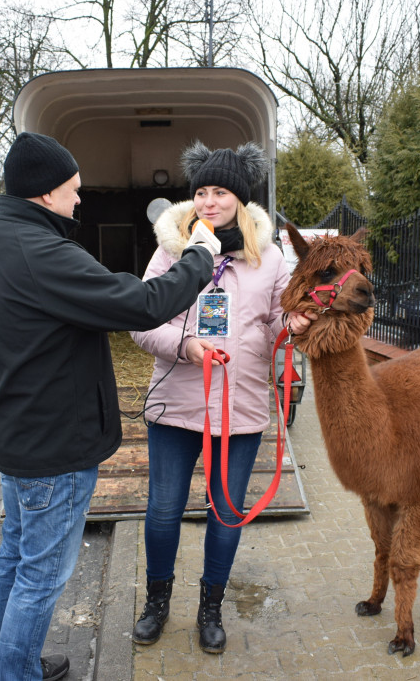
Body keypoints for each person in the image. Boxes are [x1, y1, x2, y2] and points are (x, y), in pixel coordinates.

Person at [0, 132, 217, 681]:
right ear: (47, 192)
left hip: (15, 439)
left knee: (15, 562)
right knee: (42, 575)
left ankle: (8, 660)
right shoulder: (44, 253)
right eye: (74, 190)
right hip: (56, 448)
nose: (80, 201)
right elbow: (145, 305)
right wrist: (199, 255)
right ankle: (10, 675)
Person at [130, 140, 314, 654]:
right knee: (163, 509)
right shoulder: (171, 252)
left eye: (221, 192)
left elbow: (277, 321)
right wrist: (184, 346)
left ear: (240, 199)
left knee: (226, 513)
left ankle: (210, 608)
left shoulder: (270, 258)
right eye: (202, 192)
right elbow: (142, 322)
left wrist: (293, 325)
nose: (209, 201)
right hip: (176, 404)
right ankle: (156, 602)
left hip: (240, 409)